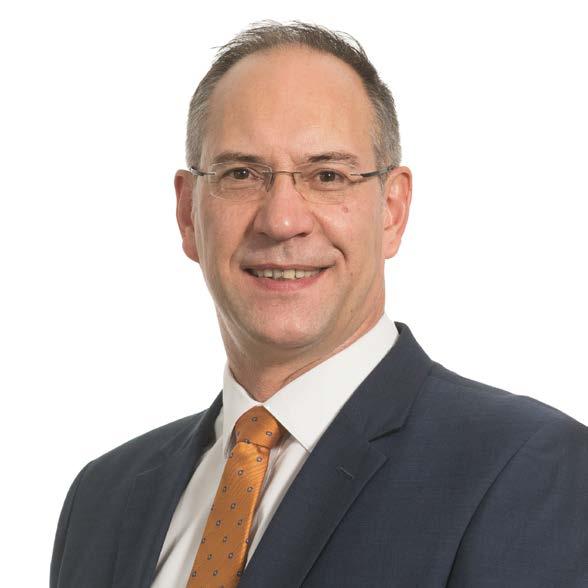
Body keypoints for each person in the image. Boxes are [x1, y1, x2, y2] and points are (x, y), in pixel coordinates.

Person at [50, 21, 588, 588]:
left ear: (392, 210)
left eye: (327, 175)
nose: (282, 220)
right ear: (188, 214)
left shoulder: (526, 469)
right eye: (241, 174)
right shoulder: (102, 500)